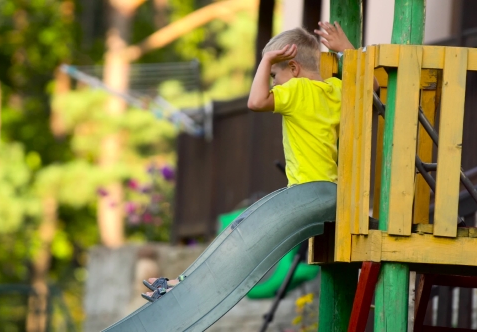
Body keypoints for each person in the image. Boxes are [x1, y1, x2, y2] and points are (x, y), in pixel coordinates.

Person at [142, 21, 372, 302]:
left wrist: (265, 60)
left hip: (307, 194)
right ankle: (182, 282)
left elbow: (256, 101)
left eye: (275, 73)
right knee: (246, 234)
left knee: (242, 238)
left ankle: (184, 285)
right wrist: (346, 49)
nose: (273, 80)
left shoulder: (298, 89)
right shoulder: (336, 90)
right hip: (330, 194)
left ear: (294, 69)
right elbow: (368, 85)